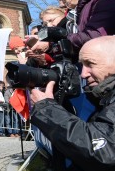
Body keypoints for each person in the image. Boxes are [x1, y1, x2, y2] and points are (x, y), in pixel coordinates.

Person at [30, 36, 115, 170]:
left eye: (90, 64)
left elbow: (102, 150)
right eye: (82, 65)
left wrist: (46, 108)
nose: (83, 74)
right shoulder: (102, 96)